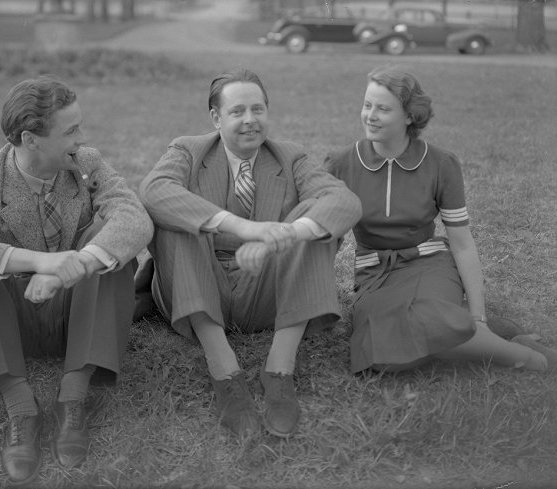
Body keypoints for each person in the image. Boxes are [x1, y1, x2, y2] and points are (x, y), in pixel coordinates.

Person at [0, 75, 154, 484]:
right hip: (12, 321)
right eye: (71, 130)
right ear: (30, 140)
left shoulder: (87, 163)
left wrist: (79, 264)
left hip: (77, 316)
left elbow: (134, 218)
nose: (81, 138)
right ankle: (20, 408)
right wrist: (39, 263)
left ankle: (73, 398)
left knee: (110, 244)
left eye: (79, 126)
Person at [138, 68, 362, 438]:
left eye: (258, 110)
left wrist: (284, 235)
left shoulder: (290, 157)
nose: (249, 121)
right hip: (196, 286)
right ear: (216, 117)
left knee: (315, 221)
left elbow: (344, 201)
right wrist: (241, 227)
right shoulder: (188, 151)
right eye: (237, 111)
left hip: (266, 292)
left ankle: (278, 370)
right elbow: (153, 190)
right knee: (179, 220)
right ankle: (225, 372)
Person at [323, 66, 557, 375]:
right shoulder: (341, 162)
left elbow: (461, 244)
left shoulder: (441, 163)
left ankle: (520, 356)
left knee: (424, 319)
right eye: (367, 105)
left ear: (409, 116)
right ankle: (483, 332)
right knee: (381, 358)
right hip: (373, 271)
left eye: (383, 108)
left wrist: (479, 318)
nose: (370, 115)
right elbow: (326, 242)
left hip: (428, 264)